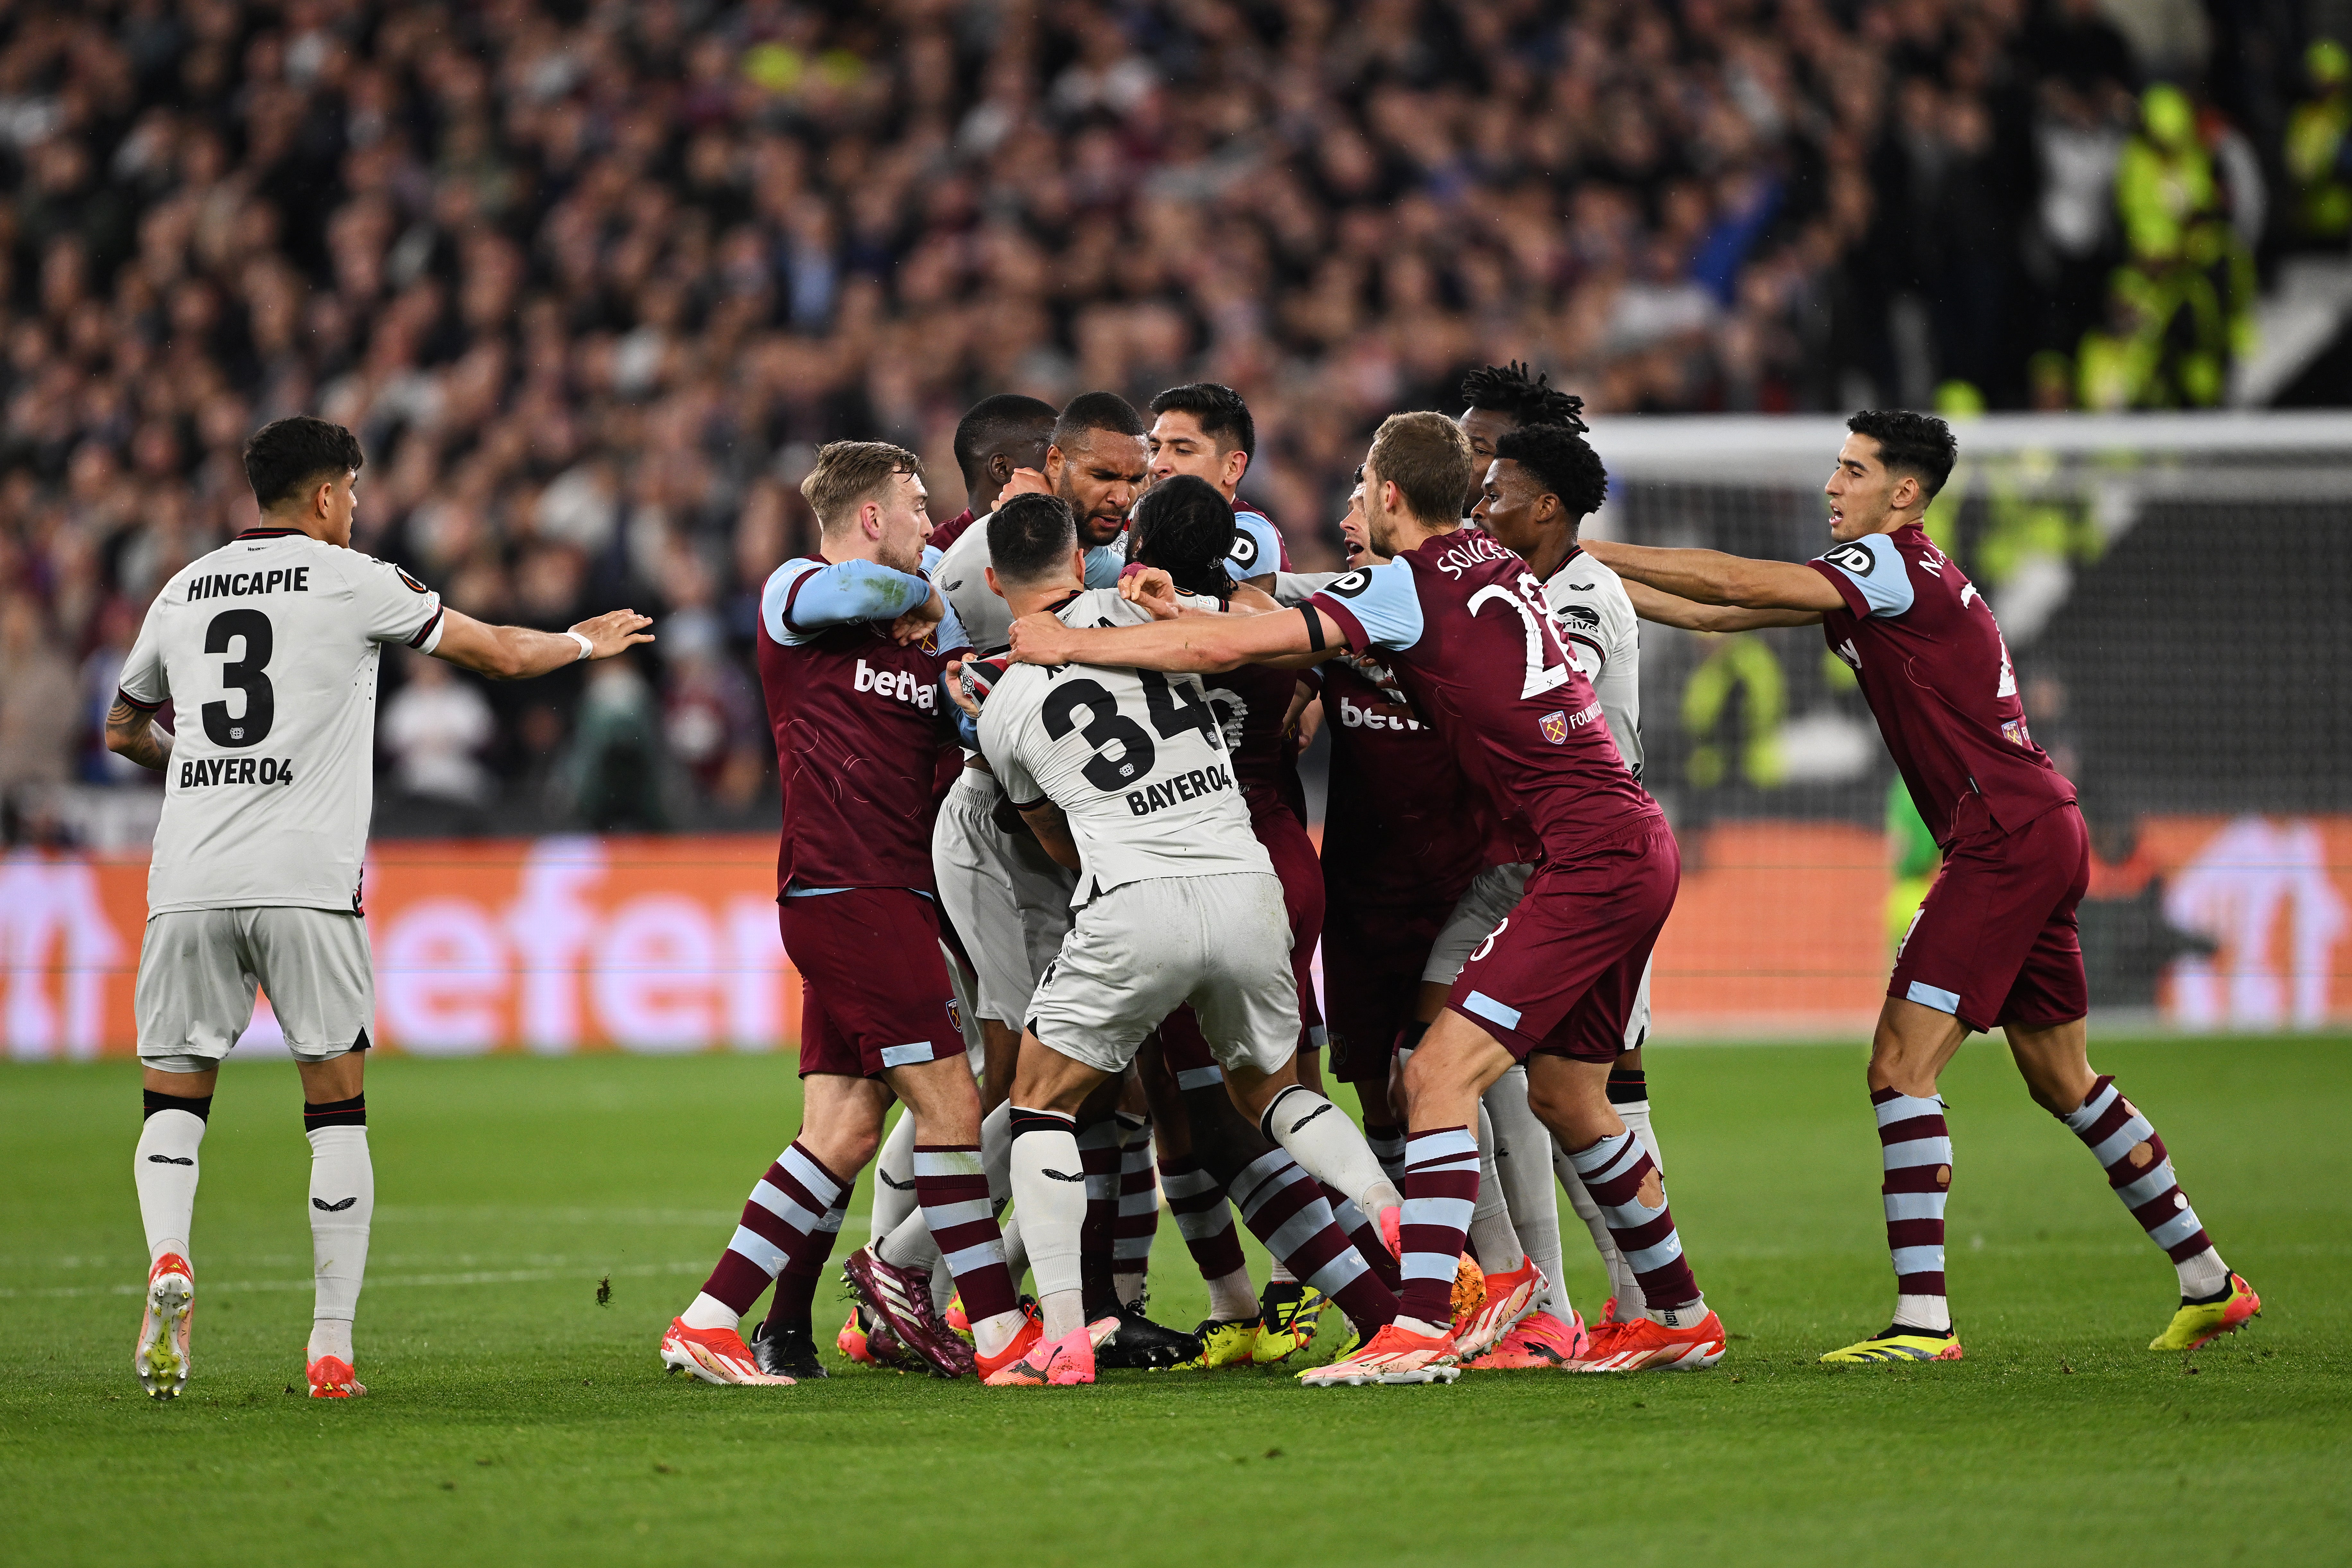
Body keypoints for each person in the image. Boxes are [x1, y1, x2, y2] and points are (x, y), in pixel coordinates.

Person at [1009, 412, 1726, 1385]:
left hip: (1587, 857)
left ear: (1389, 495)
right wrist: (1189, 610)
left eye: (1362, 485)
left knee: (1433, 1078)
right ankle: (1678, 1310)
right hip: (1625, 839)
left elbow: (1238, 651)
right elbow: (1267, 626)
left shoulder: (1409, 587)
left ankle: (1424, 1322)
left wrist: (1064, 643)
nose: (1357, 501)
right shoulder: (1492, 562)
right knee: (1566, 1093)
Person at [1586, 408, 2259, 1362]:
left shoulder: (1892, 562)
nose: (1832, 486)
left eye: (1853, 471)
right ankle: (2208, 1278)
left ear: (1904, 492)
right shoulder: (1886, 580)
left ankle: (1923, 1322)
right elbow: (1718, 611)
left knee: (1900, 1066)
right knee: (2061, 1076)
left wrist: (1584, 540)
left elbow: (1738, 577)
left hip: (2003, 841)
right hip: (2039, 826)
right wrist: (1576, 578)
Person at [109, 415, 654, 1400]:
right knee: (336, 1109)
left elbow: (122, 726)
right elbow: (496, 652)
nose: (356, 509)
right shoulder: (353, 576)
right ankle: (329, 1348)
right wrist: (583, 640)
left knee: (174, 1094)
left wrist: (193, 766)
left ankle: (169, 1257)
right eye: (352, 492)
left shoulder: (181, 588)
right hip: (308, 883)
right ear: (324, 497)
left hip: (186, 878)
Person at [973, 492, 1404, 1386]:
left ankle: (1061, 1336)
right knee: (1272, 1092)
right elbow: (1255, 635)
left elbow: (1053, 841)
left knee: (1040, 1102)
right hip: (1248, 885)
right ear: (1085, 558)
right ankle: (1390, 1212)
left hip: (1135, 897)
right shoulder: (1160, 613)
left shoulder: (1001, 705)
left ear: (990, 583)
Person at [660, 440, 1033, 1387]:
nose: (926, 524)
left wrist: (970, 684)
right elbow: (847, 595)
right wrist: (919, 602)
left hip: (888, 897)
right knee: (952, 1103)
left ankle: (710, 1318)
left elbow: (969, 721)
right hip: (849, 893)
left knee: (840, 1134)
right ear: (871, 519)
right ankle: (1000, 1337)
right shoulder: (796, 594)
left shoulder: (925, 641)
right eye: (915, 506)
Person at [1145, 382, 1288, 592]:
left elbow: (1193, 612)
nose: (1157, 466)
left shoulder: (1252, 534)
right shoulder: (1135, 523)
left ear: (1232, 467)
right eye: (1155, 448)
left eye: (1183, 450)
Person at [930, 394, 1058, 555]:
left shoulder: (1073, 538)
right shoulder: (931, 556)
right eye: (1052, 457)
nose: (1062, 468)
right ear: (1002, 468)